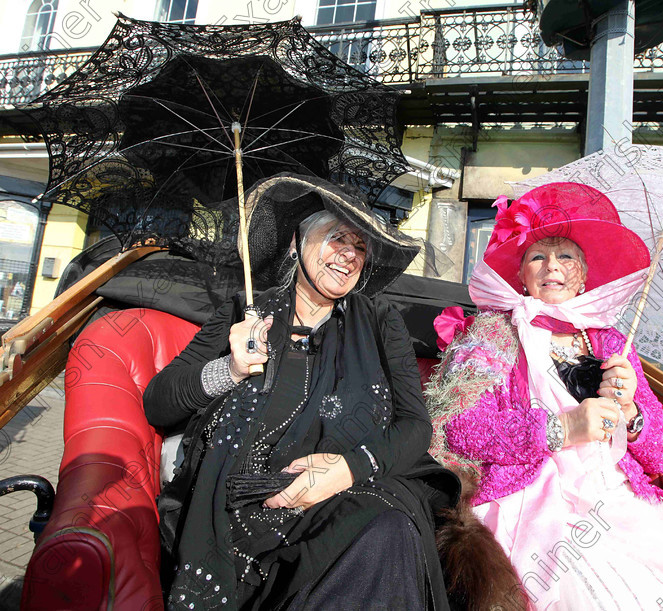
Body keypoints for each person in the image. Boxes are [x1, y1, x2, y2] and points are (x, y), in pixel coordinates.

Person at [144, 174, 458, 611]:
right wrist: (231, 369)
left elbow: (415, 425)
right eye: (336, 238)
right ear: (297, 243)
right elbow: (158, 401)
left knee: (388, 531)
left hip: (351, 496)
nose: (350, 254)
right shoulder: (243, 311)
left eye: (360, 246)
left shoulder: (381, 323)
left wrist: (345, 471)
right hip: (241, 517)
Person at [426, 183, 663, 610]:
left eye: (566, 255)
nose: (552, 265)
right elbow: (461, 430)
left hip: (618, 497)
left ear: (585, 274)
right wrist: (563, 428)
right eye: (538, 255)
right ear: (521, 274)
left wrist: (630, 412)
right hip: (530, 497)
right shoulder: (490, 336)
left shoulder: (611, 344)